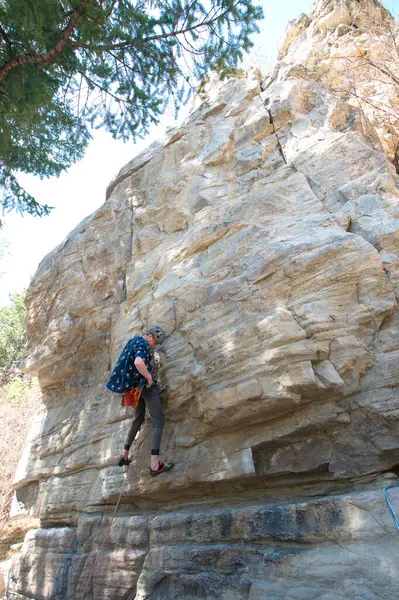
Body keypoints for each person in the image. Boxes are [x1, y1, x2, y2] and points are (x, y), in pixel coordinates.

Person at [106, 325, 174, 477]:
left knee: (138, 419)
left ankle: (124, 455)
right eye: (155, 342)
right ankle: (155, 465)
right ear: (150, 336)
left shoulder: (134, 341)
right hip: (146, 387)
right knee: (159, 421)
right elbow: (138, 362)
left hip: (134, 389)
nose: (154, 346)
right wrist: (149, 377)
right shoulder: (143, 346)